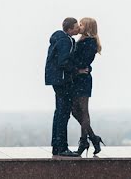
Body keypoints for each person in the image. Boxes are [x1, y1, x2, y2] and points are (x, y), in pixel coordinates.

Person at [44, 17, 84, 157]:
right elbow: (63, 62)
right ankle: (62, 147)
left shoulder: (61, 38)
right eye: (76, 27)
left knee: (59, 113)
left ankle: (57, 146)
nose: (78, 28)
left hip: (57, 80)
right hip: (62, 81)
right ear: (69, 29)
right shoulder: (65, 41)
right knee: (63, 114)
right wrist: (77, 70)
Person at [70, 17, 105, 156]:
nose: (79, 26)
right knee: (74, 110)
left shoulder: (90, 42)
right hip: (77, 78)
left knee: (83, 110)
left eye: (81, 24)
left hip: (83, 79)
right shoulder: (82, 40)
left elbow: (84, 60)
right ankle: (93, 138)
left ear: (88, 27)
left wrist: (74, 65)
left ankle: (84, 140)